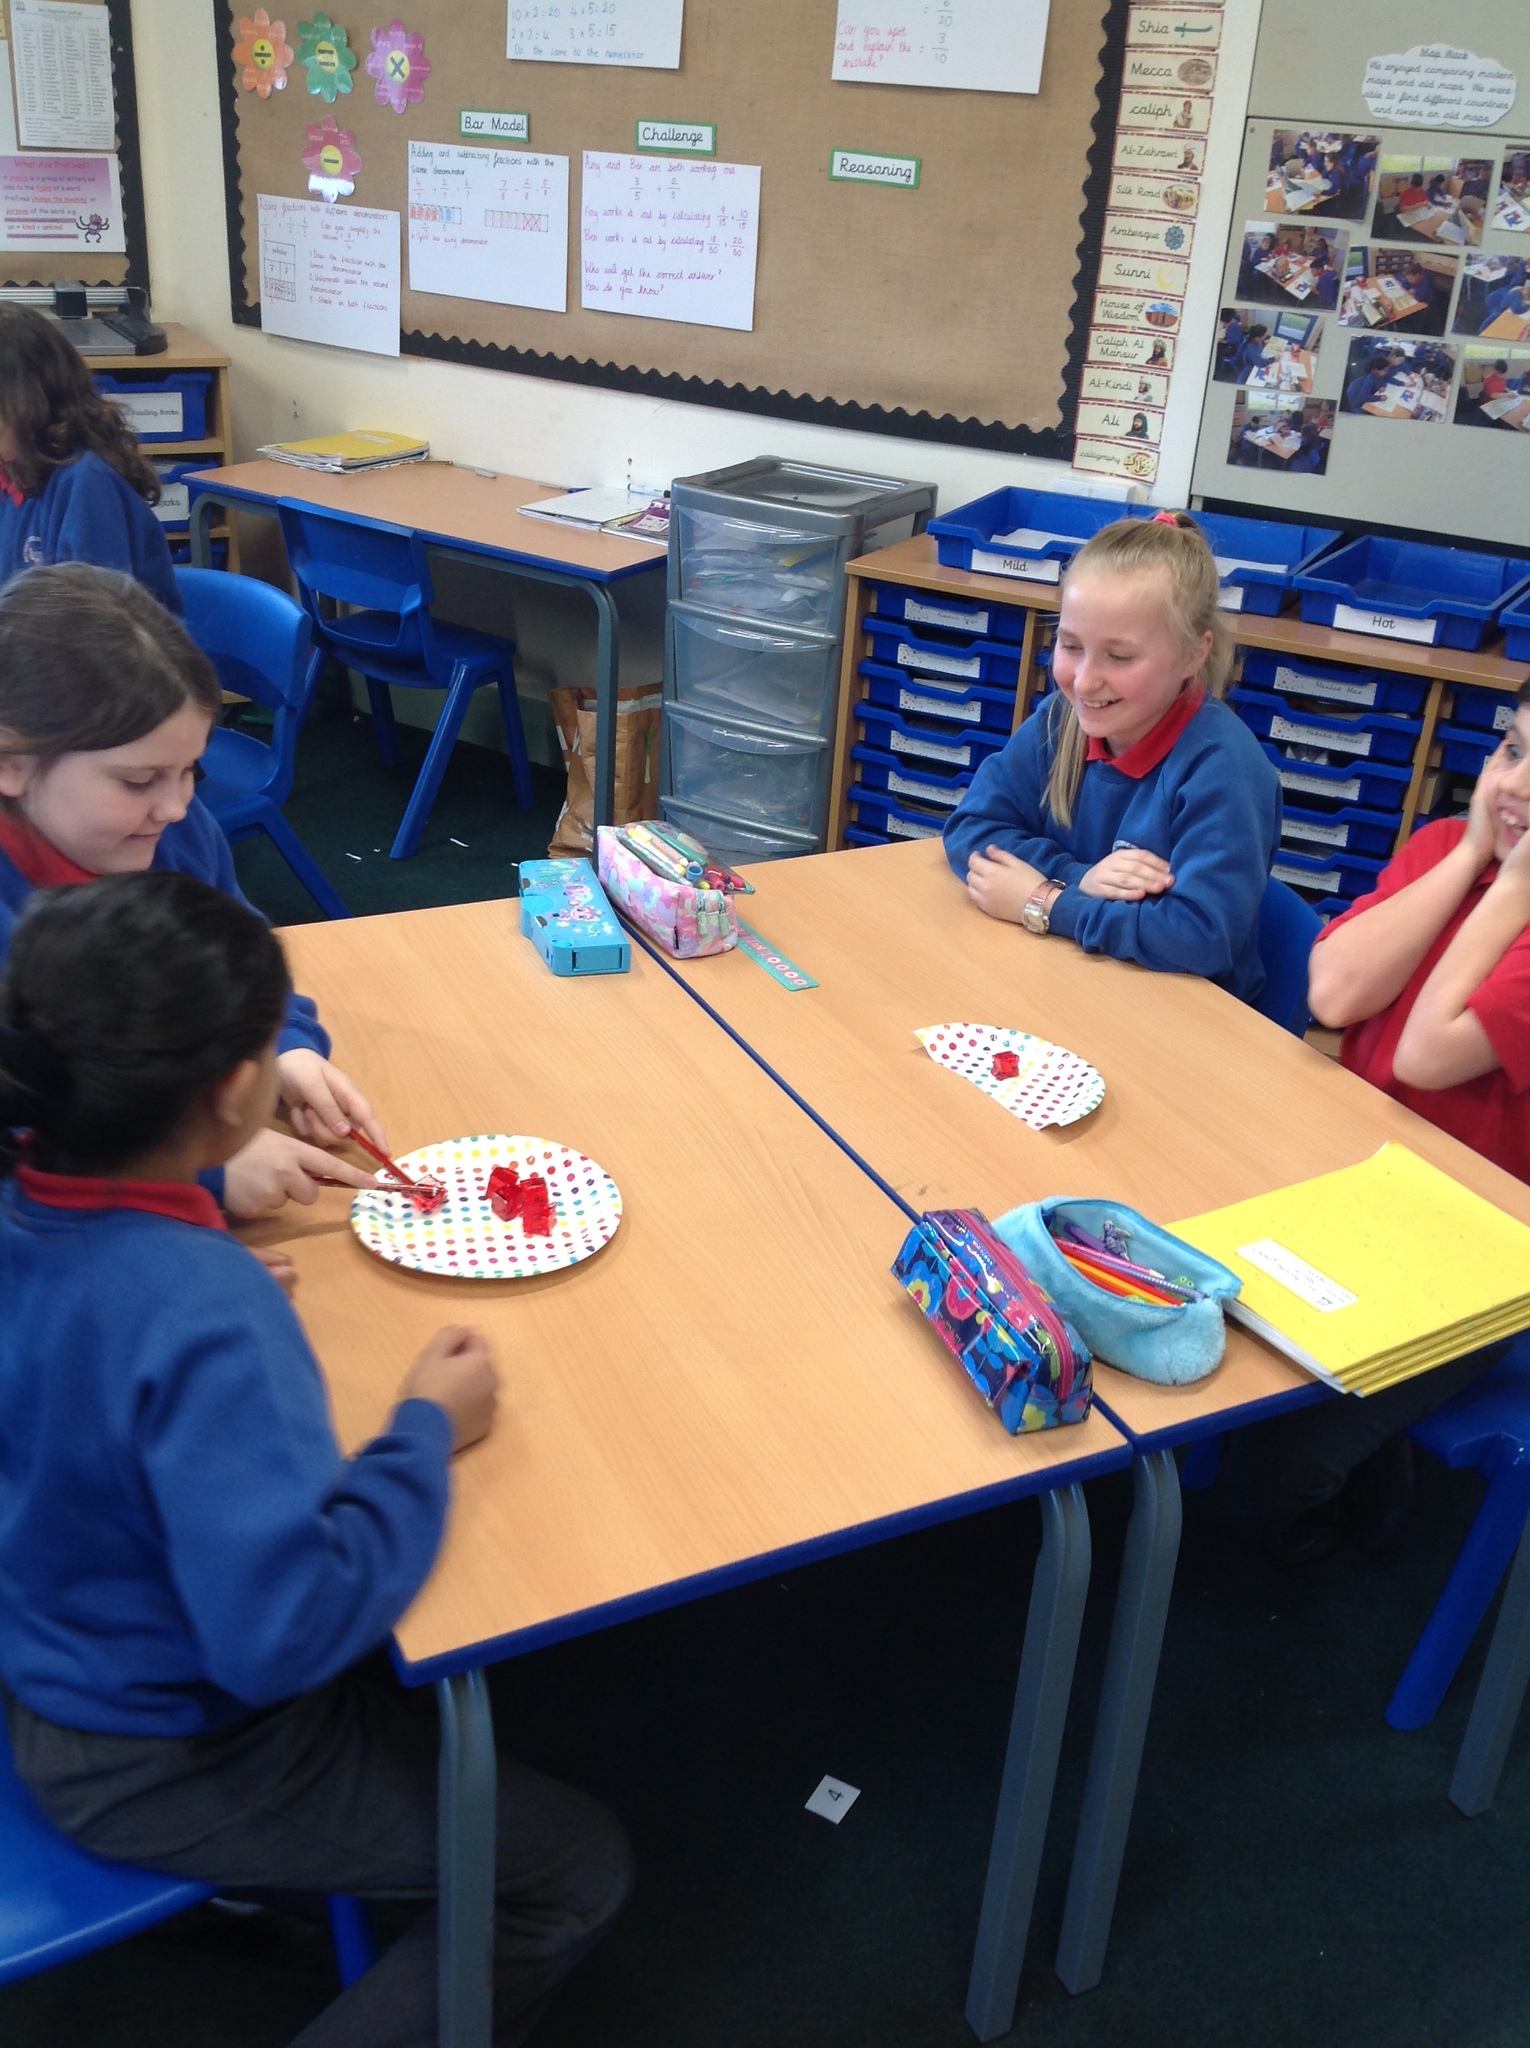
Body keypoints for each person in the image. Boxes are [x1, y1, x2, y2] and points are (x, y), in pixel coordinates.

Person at [0, 872, 632, 2047]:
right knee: (574, 1868)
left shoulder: (34, 1212)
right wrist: (423, 1430)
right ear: (237, 1091)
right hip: (163, 1743)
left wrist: (188, 1293)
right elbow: (284, 1631)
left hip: (57, 1649)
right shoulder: (203, 1307)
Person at [1235, 687, 1530, 1564]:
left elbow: (1425, 1056)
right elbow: (1332, 994)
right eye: (1514, 751)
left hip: (1473, 1253)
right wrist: (1472, 852)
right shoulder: (1446, 849)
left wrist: (1511, 889)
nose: (1517, 785)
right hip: (1352, 1187)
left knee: (1286, 1467)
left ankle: (1355, 1519)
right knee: (1215, 1345)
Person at [0, 561, 381, 1218]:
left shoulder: (175, 835)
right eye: (138, 781)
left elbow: (239, 969)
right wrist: (195, 1174)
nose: (177, 807)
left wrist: (284, 1048)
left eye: (190, 771)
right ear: (12, 764)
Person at [942, 513, 1280, 1005]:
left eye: (1119, 657)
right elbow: (971, 828)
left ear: (1193, 655)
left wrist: (1048, 902)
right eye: (1070, 645)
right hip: (1070, 980)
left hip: (1179, 1012)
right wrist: (1080, 876)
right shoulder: (1062, 720)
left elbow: (1200, 938)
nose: (1084, 681)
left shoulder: (1224, 769)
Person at [0, 304, 180, 613]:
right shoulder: (12, 473)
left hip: (110, 643)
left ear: (30, 400)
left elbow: (96, 630)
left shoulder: (87, 483)